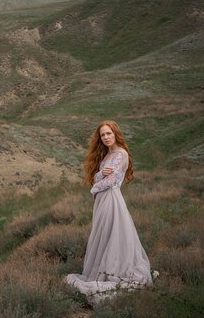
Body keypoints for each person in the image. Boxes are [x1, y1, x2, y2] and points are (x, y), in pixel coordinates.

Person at [65, 120, 154, 304]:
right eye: (103, 135)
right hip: (102, 199)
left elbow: (111, 181)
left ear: (116, 134)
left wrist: (93, 189)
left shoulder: (120, 154)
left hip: (111, 198)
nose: (106, 137)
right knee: (104, 235)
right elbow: (99, 176)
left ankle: (114, 272)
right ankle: (103, 269)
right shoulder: (107, 155)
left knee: (113, 234)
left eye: (109, 133)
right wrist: (99, 177)